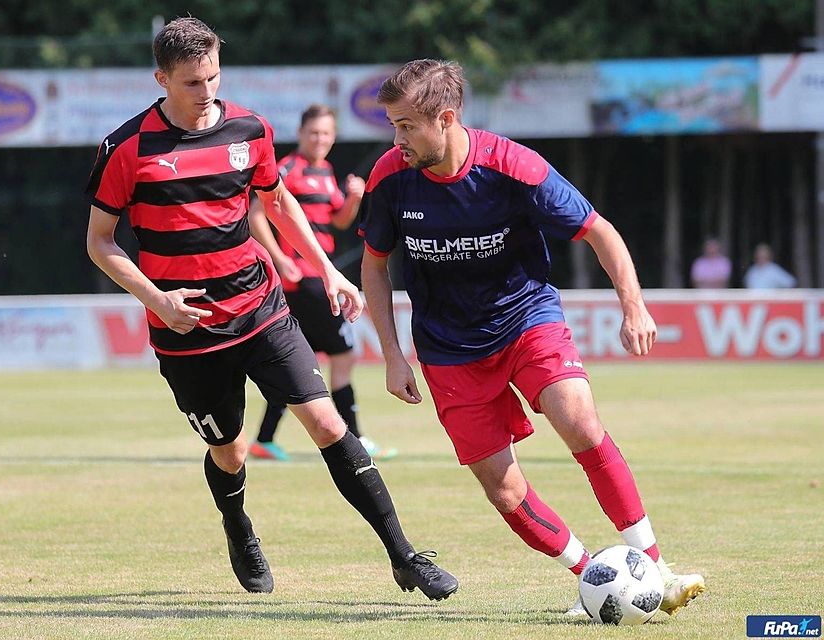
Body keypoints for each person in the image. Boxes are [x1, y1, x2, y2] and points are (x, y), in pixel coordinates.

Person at [84, 20, 457, 600]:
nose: (205, 91)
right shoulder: (126, 149)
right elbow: (100, 242)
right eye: (190, 82)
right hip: (187, 330)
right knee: (229, 451)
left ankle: (405, 556)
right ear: (161, 79)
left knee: (327, 422)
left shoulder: (248, 129)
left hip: (262, 309)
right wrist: (156, 300)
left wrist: (329, 270)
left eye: (212, 76)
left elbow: (277, 202)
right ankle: (238, 527)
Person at [359, 59, 704, 617]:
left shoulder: (514, 166)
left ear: (445, 119)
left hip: (525, 319)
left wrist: (633, 306)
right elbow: (375, 266)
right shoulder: (390, 178)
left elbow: (599, 230)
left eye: (405, 126)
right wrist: (394, 356)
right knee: (504, 491)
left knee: (579, 421)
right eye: (393, 125)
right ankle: (594, 577)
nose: (395, 139)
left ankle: (654, 568)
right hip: (447, 349)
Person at [247, 104, 396, 462]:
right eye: (314, 133)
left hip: (315, 279)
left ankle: (264, 440)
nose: (320, 139)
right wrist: (280, 258)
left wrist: (355, 199)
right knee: (343, 356)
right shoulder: (287, 168)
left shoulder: (326, 172)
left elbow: (339, 221)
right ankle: (355, 438)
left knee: (299, 361)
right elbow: (257, 211)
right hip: (310, 281)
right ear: (300, 134)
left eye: (326, 133)